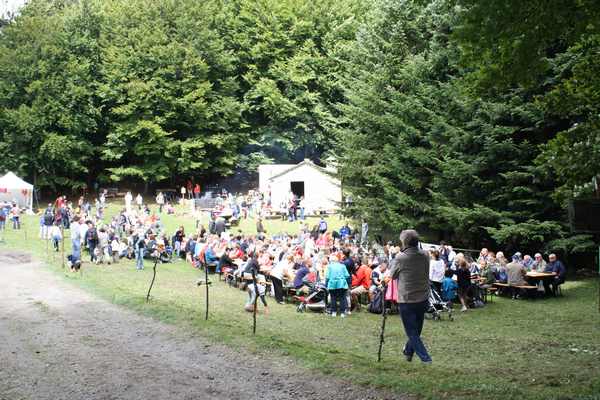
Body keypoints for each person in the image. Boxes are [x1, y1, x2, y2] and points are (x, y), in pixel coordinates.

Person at [387, 229, 432, 363]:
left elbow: (393, 275)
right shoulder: (425, 255)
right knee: (416, 330)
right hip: (423, 297)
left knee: (412, 332)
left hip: (407, 299)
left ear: (404, 242)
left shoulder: (401, 257)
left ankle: (425, 358)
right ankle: (408, 351)